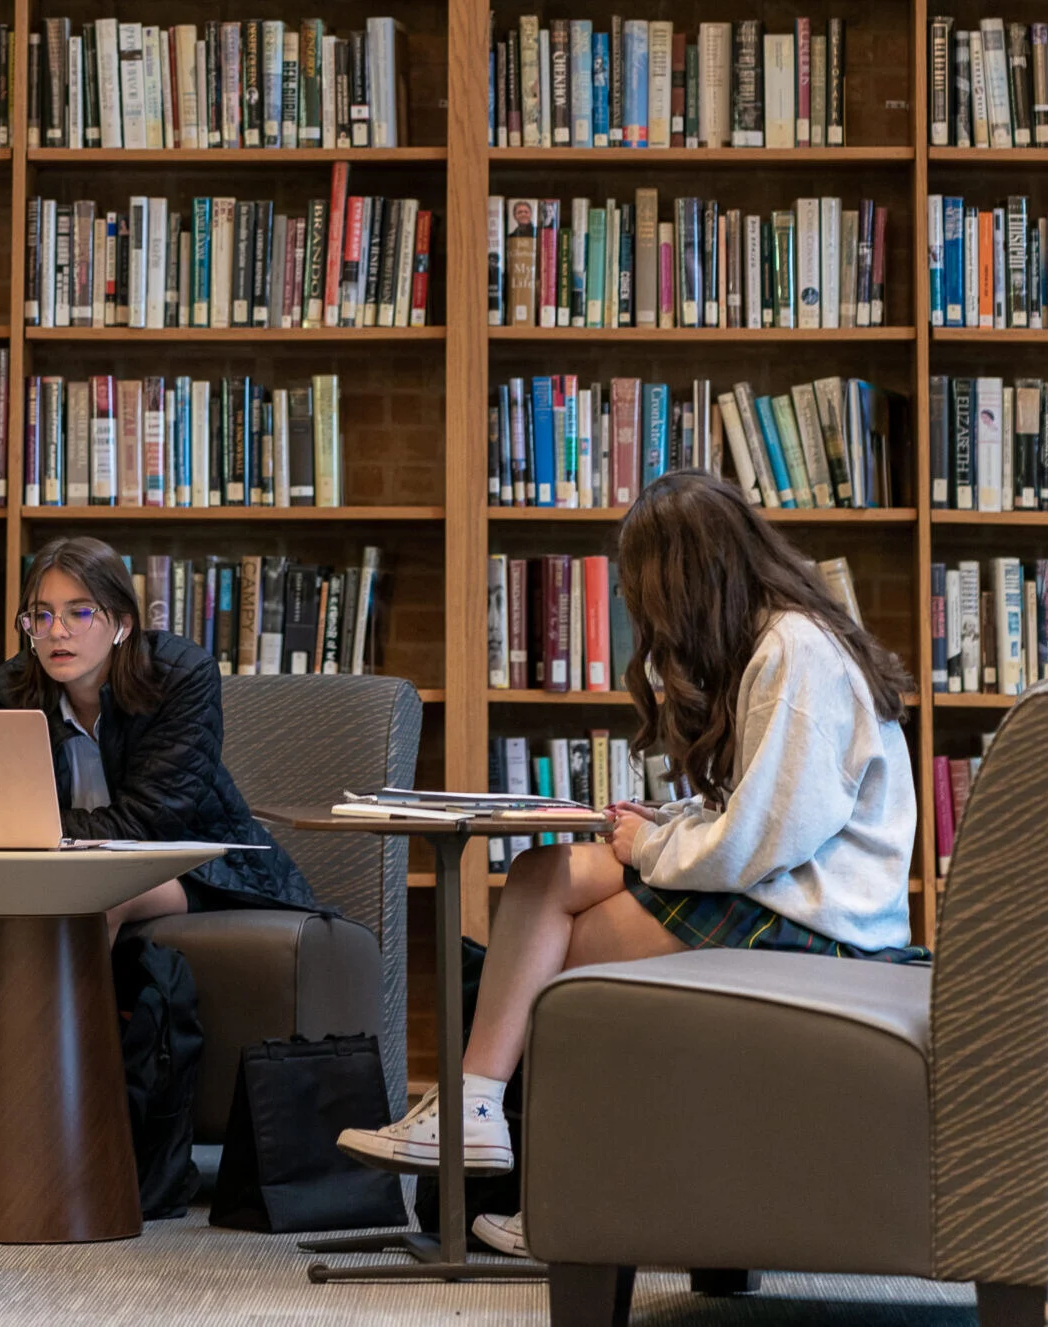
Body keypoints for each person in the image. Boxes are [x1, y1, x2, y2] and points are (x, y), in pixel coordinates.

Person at [336, 469, 925, 1258]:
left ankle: (566, 1190)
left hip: (815, 918)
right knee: (547, 875)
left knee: (561, 968)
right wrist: (669, 820)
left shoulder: (795, 655)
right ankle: (474, 1106)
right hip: (777, 892)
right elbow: (763, 813)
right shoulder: (777, 641)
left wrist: (648, 843)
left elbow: (764, 840)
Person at [0, 533, 314, 1218]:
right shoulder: (7, 688)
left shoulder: (179, 673)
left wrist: (35, 842)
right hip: (52, 863)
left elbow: (152, 819)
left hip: (196, 860)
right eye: (40, 615)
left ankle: (50, 1137)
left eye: (79, 612)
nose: (56, 631)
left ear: (121, 621)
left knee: (87, 901)